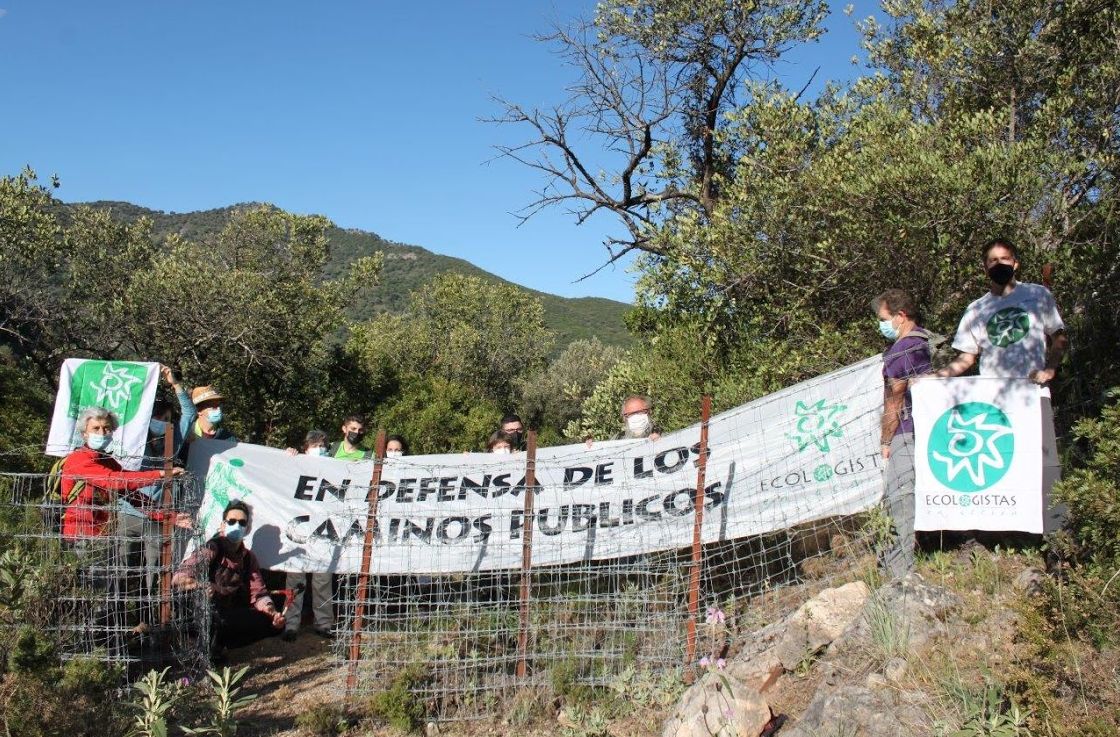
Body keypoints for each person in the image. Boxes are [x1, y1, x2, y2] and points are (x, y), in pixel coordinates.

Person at [936, 238, 1068, 382]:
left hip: (1034, 390)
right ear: (985, 268)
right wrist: (932, 378)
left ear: (1015, 263)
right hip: (993, 395)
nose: (999, 263)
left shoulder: (1038, 294)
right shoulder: (975, 309)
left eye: (1004, 258)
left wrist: (1049, 370)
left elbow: (1059, 338)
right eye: (993, 260)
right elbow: (966, 357)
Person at [873, 289, 932, 577]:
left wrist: (886, 440)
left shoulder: (900, 351)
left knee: (900, 496)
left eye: (884, 319)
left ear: (901, 316)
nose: (881, 325)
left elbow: (894, 400)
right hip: (938, 429)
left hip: (907, 430)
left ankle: (900, 569)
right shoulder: (928, 341)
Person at [172, 500, 286, 651]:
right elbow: (178, 579)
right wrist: (202, 585)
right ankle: (200, 646)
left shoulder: (248, 557)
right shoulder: (210, 549)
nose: (237, 526)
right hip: (199, 613)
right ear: (223, 524)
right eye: (231, 521)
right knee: (211, 617)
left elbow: (258, 594)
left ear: (248, 528)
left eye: (242, 522)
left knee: (272, 625)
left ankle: (223, 646)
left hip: (227, 612)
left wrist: (273, 613)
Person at [61, 406, 185, 540]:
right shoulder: (79, 459)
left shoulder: (106, 460)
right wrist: (160, 474)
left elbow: (131, 494)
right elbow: (115, 481)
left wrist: (171, 516)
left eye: (106, 428)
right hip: (80, 534)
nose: (102, 433)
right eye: (96, 428)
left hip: (102, 533)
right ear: (84, 433)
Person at [282, 430, 335, 642]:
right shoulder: (296, 462)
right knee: (295, 580)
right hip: (299, 531)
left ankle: (323, 624)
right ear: (306, 448)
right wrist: (287, 456)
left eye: (323, 445)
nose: (319, 449)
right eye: (315, 445)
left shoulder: (334, 467)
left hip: (324, 531)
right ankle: (290, 624)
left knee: (323, 580)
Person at [181, 385, 238, 463]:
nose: (218, 409)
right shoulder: (185, 434)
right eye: (212, 406)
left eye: (218, 405)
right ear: (199, 411)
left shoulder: (228, 438)